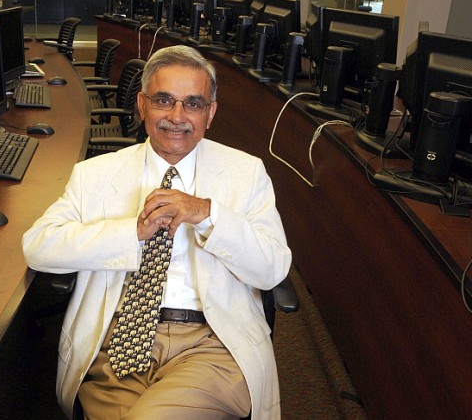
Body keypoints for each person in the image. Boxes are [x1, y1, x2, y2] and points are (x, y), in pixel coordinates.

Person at [22, 45, 291, 420]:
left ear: (210, 113)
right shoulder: (95, 174)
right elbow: (38, 246)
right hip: (116, 345)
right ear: (142, 105)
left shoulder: (246, 173)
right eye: (164, 100)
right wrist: (132, 232)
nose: (177, 117)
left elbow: (272, 269)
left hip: (211, 345)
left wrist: (207, 214)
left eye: (193, 104)